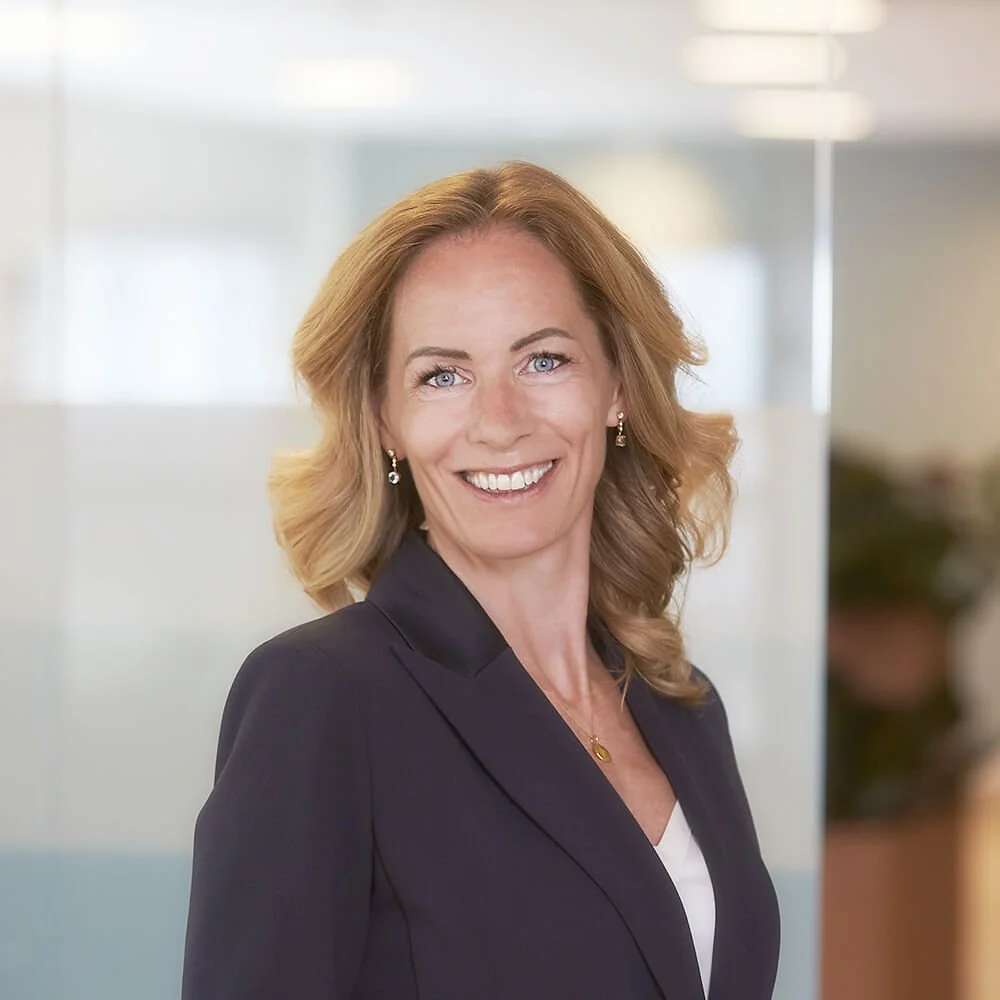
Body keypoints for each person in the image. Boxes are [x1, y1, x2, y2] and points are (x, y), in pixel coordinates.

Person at [181, 161, 780, 1000]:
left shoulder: (680, 702)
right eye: (443, 375)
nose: (499, 423)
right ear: (386, 420)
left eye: (542, 361)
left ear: (615, 386)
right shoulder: (322, 698)